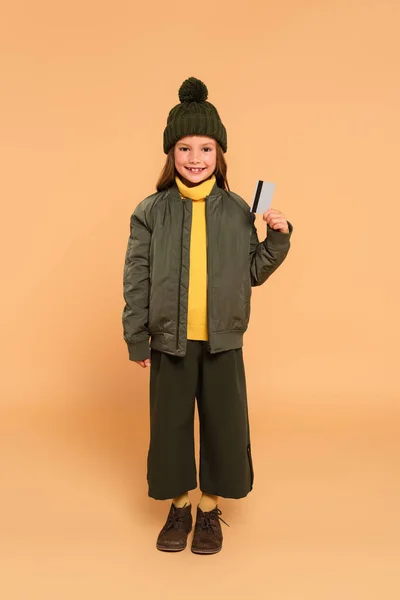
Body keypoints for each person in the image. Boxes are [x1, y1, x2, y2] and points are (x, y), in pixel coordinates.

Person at [122, 76, 294, 555]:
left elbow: (252, 272)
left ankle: (209, 509)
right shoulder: (150, 211)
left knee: (225, 426)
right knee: (171, 426)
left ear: (219, 154)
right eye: (184, 148)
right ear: (170, 154)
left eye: (205, 148)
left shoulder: (239, 210)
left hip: (223, 342)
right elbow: (136, 278)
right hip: (168, 341)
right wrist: (137, 338)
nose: (195, 158)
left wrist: (276, 237)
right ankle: (178, 507)